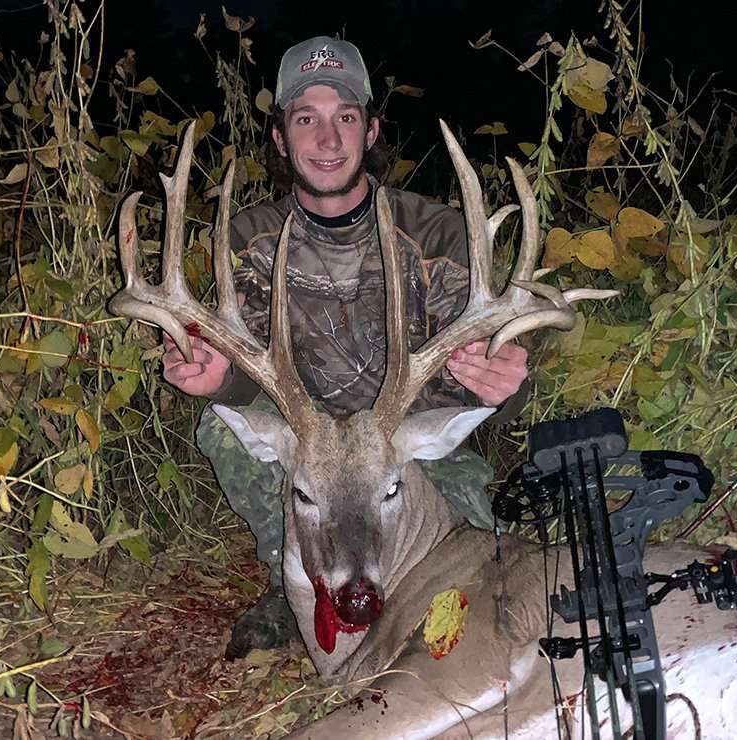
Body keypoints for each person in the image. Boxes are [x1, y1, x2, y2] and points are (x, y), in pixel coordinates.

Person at [160, 36, 530, 659]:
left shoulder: (439, 233)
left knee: (479, 584)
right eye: (306, 119)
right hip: (310, 449)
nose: (328, 139)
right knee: (222, 427)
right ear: (281, 138)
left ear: (371, 130)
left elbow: (495, 374)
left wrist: (505, 387)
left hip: (407, 453)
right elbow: (245, 373)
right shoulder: (250, 239)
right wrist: (216, 377)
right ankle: (289, 575)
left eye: (346, 118)